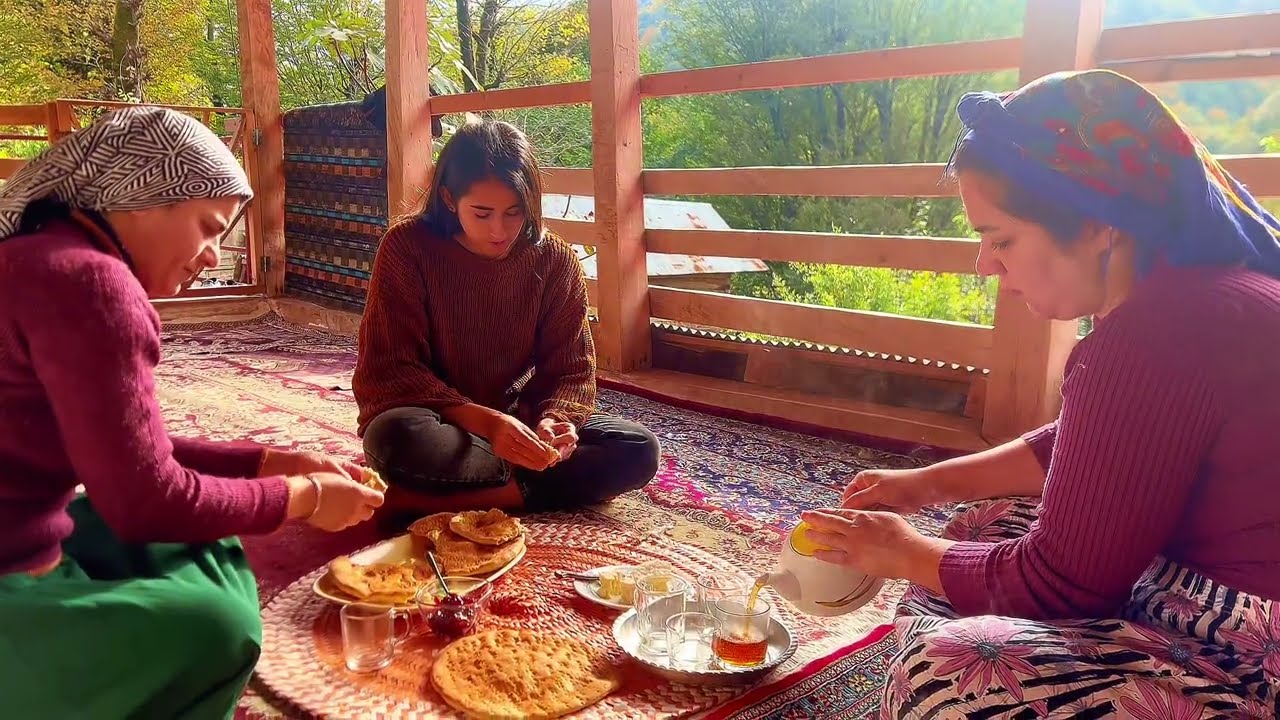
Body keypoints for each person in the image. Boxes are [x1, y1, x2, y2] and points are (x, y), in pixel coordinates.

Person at [799, 69, 1280, 717]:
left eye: (1001, 240)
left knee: (947, 674)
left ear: (1097, 225)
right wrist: (925, 485)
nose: (985, 266)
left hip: (1249, 656)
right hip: (1230, 593)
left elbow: (1064, 587)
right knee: (984, 523)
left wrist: (899, 550)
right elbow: (1094, 446)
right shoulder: (1200, 291)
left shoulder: (1156, 332)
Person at [0, 106, 385, 719]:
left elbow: (121, 442)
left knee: (211, 549)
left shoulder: (39, 257)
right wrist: (305, 496)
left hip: (31, 528)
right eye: (209, 227)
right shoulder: (91, 283)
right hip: (14, 568)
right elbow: (142, 500)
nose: (211, 257)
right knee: (219, 624)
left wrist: (268, 462)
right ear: (141, 197)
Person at [353, 118, 661, 515]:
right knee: (396, 438)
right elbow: (392, 369)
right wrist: (488, 425)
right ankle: (533, 488)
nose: (500, 230)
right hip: (439, 421)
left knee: (636, 449)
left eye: (514, 213)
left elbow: (570, 368)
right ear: (449, 199)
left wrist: (555, 422)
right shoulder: (406, 248)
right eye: (482, 214)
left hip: (516, 422)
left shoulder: (555, 260)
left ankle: (437, 499)